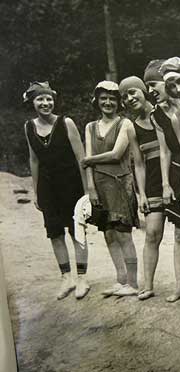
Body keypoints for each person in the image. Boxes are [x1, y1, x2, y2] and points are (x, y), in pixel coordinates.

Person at [143, 59, 180, 301]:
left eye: (154, 84)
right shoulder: (157, 115)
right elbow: (166, 151)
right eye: (148, 87)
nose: (152, 91)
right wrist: (167, 184)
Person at [24, 81, 90, 300]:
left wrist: (87, 190)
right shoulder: (29, 127)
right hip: (47, 186)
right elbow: (34, 160)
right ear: (32, 102)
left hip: (71, 185)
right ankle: (67, 278)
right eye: (40, 99)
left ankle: (82, 278)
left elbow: (81, 158)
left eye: (49, 99)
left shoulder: (66, 122)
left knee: (76, 231)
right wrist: (36, 191)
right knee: (55, 233)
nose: (45, 103)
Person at [82, 81, 144, 297]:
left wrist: (89, 160)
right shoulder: (90, 127)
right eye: (103, 98)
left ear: (119, 102)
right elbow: (88, 164)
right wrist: (90, 187)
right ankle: (121, 280)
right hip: (99, 185)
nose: (108, 102)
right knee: (108, 233)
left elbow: (117, 154)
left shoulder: (125, 123)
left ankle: (133, 283)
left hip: (120, 183)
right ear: (97, 101)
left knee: (123, 233)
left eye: (112, 99)